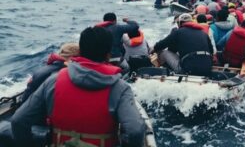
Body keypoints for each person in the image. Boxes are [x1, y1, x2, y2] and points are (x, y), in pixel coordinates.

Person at [12, 26, 146, 147]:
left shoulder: (53, 81)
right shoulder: (120, 88)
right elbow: (135, 131)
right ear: (108, 55)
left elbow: (18, 121)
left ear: (81, 51)